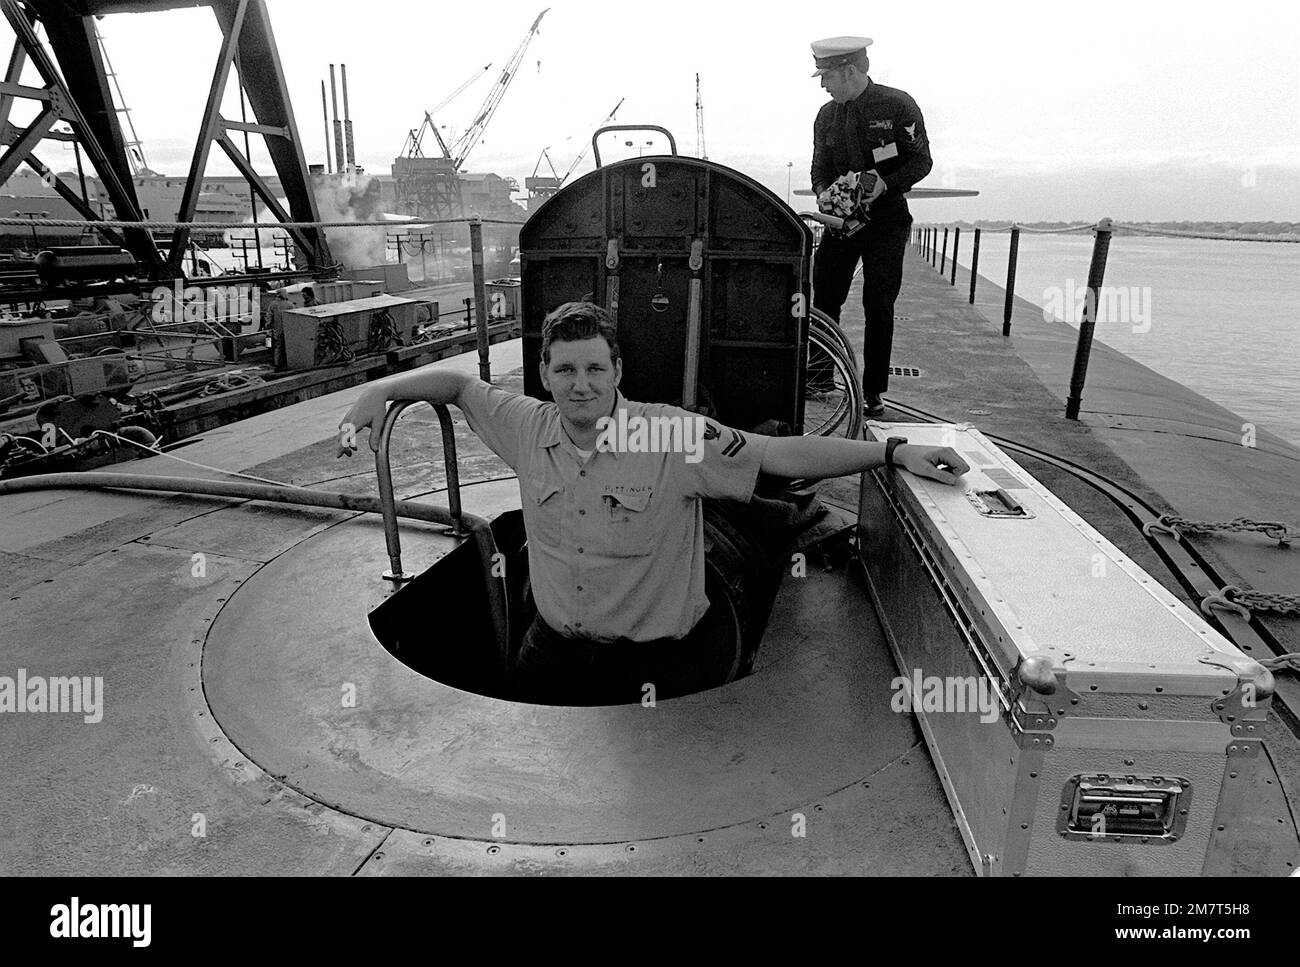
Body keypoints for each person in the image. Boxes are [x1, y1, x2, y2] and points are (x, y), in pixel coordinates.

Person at [337, 302, 968, 705]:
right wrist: (380, 394)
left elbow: (782, 457)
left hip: (660, 666)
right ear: (544, 373)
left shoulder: (667, 436)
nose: (580, 385)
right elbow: (457, 385)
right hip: (552, 652)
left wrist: (891, 453)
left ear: (617, 371)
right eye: (564, 371)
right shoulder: (526, 427)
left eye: (594, 369)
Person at [809, 36, 932, 418]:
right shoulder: (826, 116)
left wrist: (885, 183)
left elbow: (921, 162)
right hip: (842, 223)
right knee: (825, 297)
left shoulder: (897, 105)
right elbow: (819, 169)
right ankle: (818, 378)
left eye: (827, 76)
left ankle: (873, 392)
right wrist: (824, 194)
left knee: (878, 303)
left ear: (850, 71)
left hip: (886, 221)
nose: (823, 84)